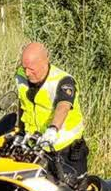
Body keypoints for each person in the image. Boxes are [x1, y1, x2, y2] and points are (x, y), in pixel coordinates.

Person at [14, 41, 89, 175]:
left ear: (45, 62)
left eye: (31, 68)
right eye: (24, 67)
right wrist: (20, 131)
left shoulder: (62, 80)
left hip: (66, 150)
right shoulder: (21, 76)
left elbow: (64, 106)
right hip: (37, 147)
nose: (27, 73)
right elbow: (23, 104)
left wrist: (53, 129)